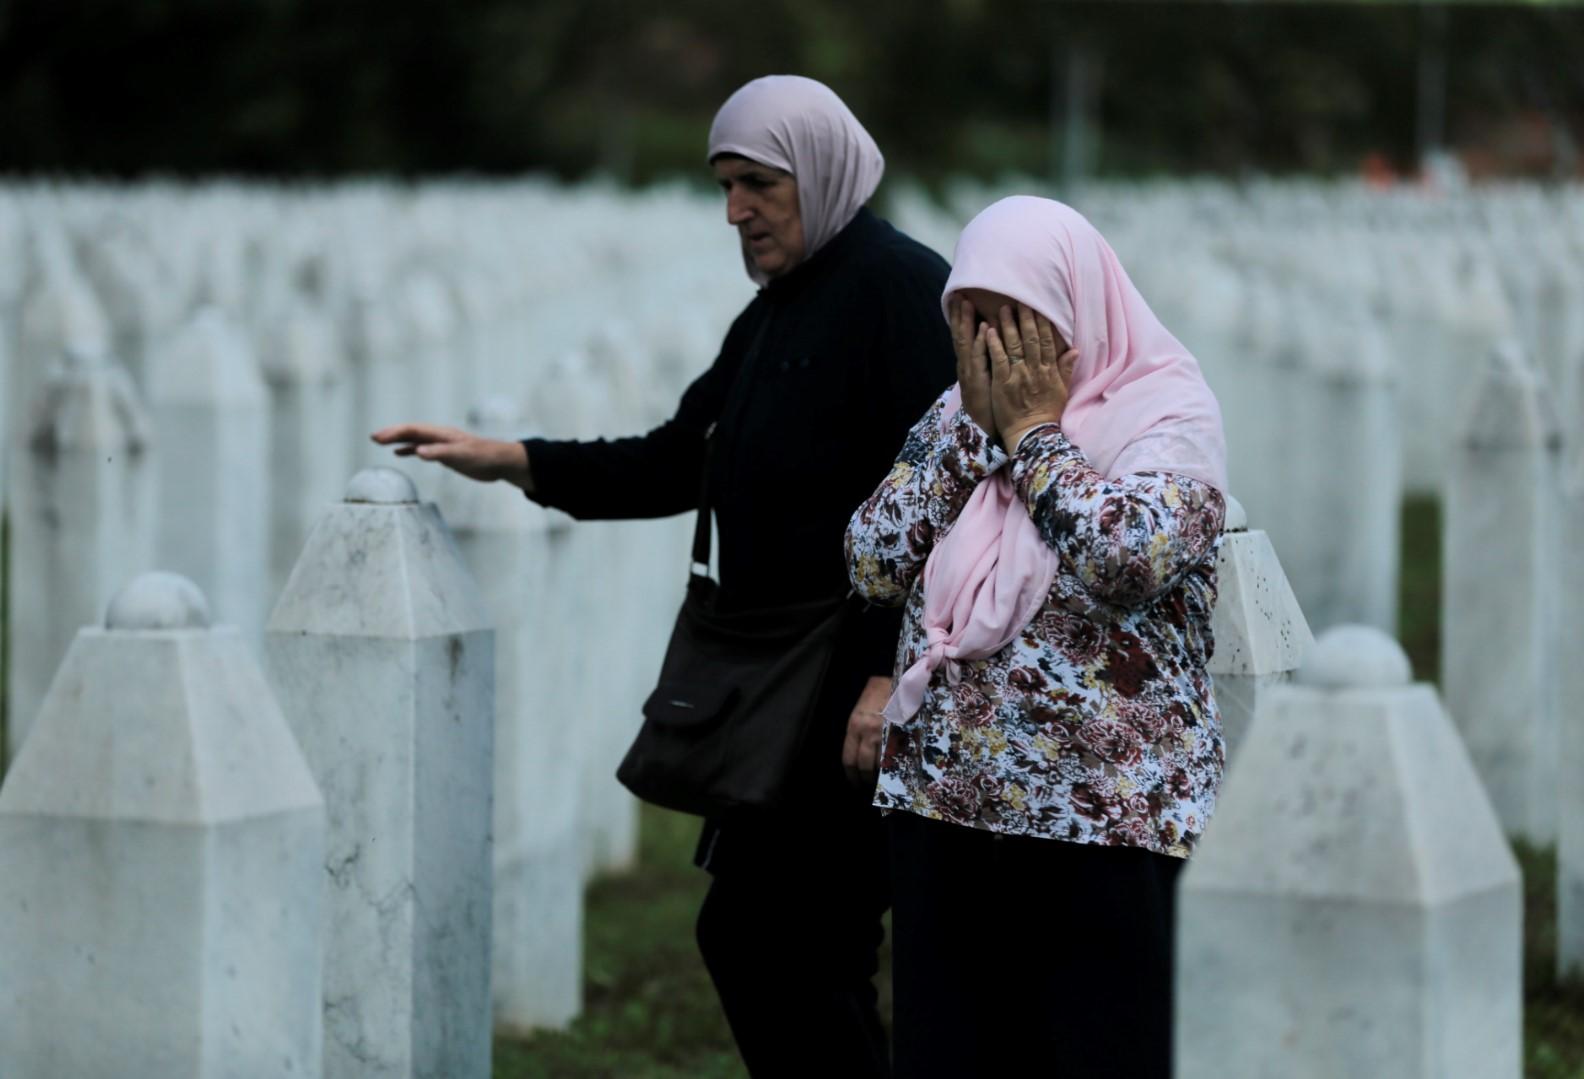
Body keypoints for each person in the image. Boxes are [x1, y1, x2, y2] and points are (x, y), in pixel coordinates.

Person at [373, 75, 955, 1077]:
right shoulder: (778, 308)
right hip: (776, 690)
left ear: (817, 170)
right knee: (766, 941)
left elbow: (943, 503)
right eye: (724, 185)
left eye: (758, 184)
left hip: (857, 692)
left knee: (786, 942)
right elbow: (681, 455)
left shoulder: (900, 291)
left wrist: (883, 679)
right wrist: (515, 458)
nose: (735, 210)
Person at [844, 195, 1229, 1078]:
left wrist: (1033, 436)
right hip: (948, 806)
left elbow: (1123, 559)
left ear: (1073, 308)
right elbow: (869, 561)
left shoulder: (1169, 414)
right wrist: (975, 440)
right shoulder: (954, 420)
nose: (989, 346)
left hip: (1108, 822)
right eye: (967, 318)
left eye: (1012, 320)